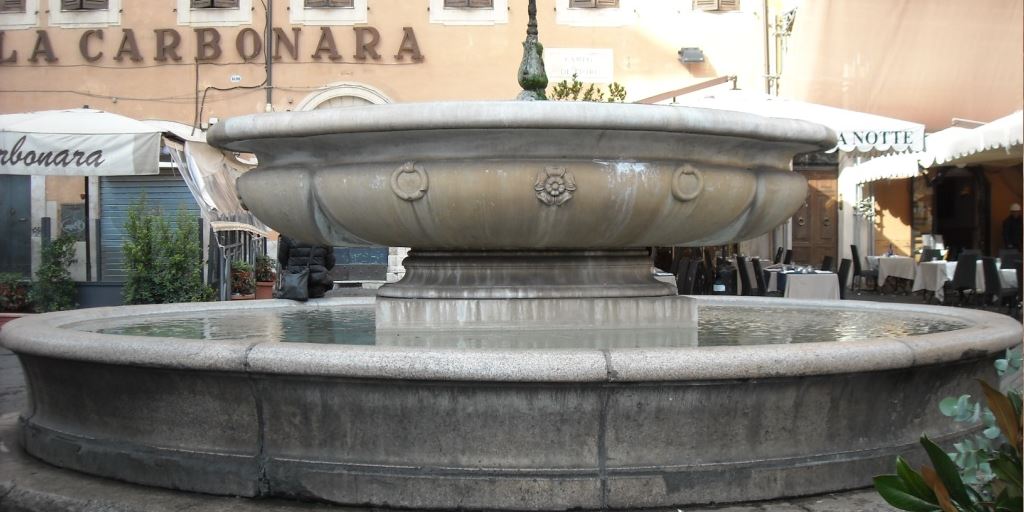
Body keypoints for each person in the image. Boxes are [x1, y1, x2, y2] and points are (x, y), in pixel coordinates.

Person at [276, 235, 336, 299]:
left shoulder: (288, 234)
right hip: (317, 282)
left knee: (294, 305)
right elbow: (330, 262)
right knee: (317, 306)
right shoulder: (322, 235)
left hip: (295, 281)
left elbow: (282, 258)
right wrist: (319, 271)